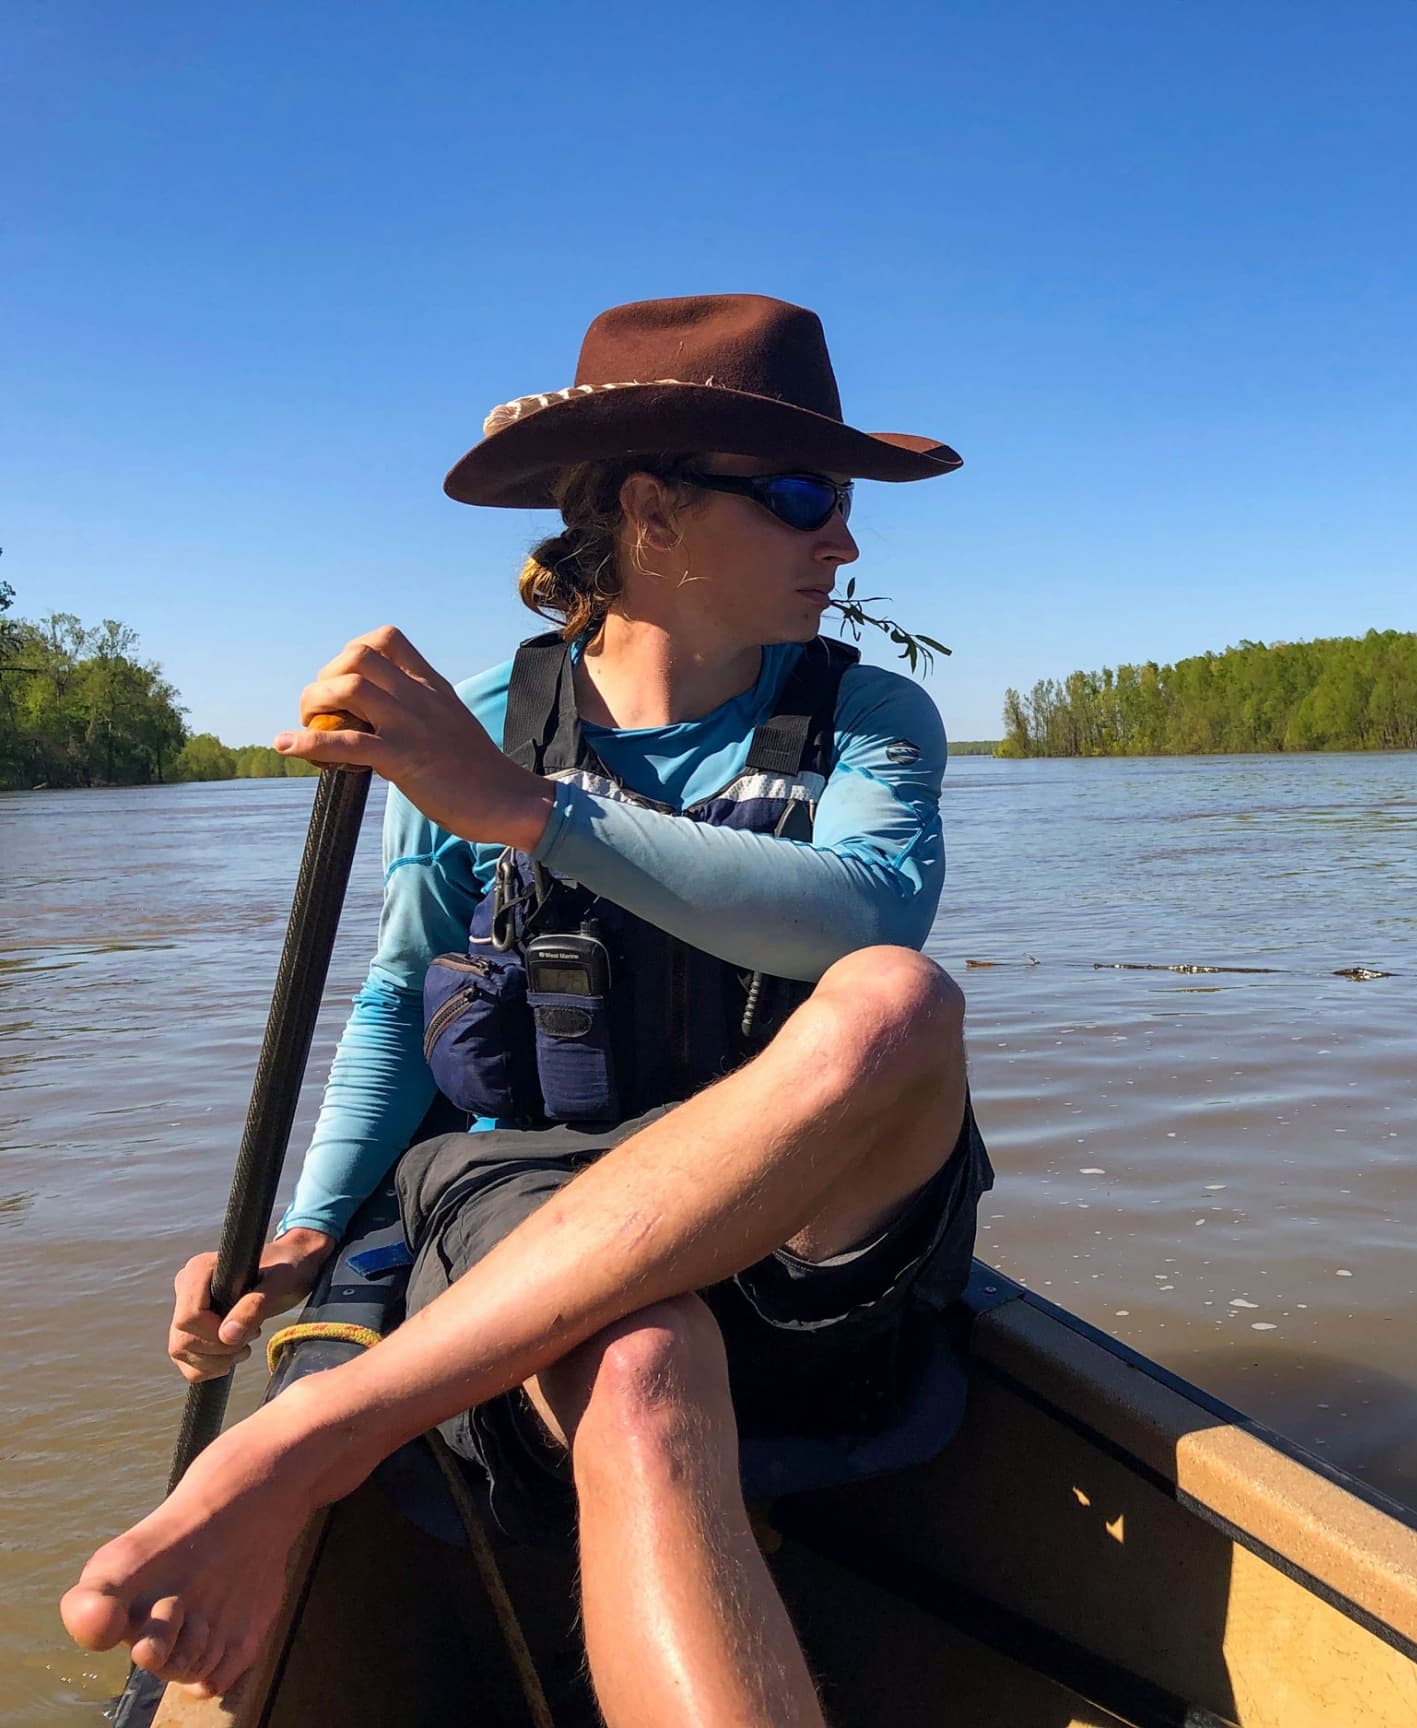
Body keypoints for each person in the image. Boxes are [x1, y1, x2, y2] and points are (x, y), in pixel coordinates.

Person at [61, 293, 989, 1727]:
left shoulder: (872, 717)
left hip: (810, 1229)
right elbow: (396, 993)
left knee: (895, 998)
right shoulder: (486, 715)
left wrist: (528, 814)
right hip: (536, 1185)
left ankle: (327, 1439)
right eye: (806, 496)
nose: (847, 541)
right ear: (651, 515)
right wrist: (304, 1233)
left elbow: (874, 909)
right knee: (645, 1362)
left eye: (847, 501)